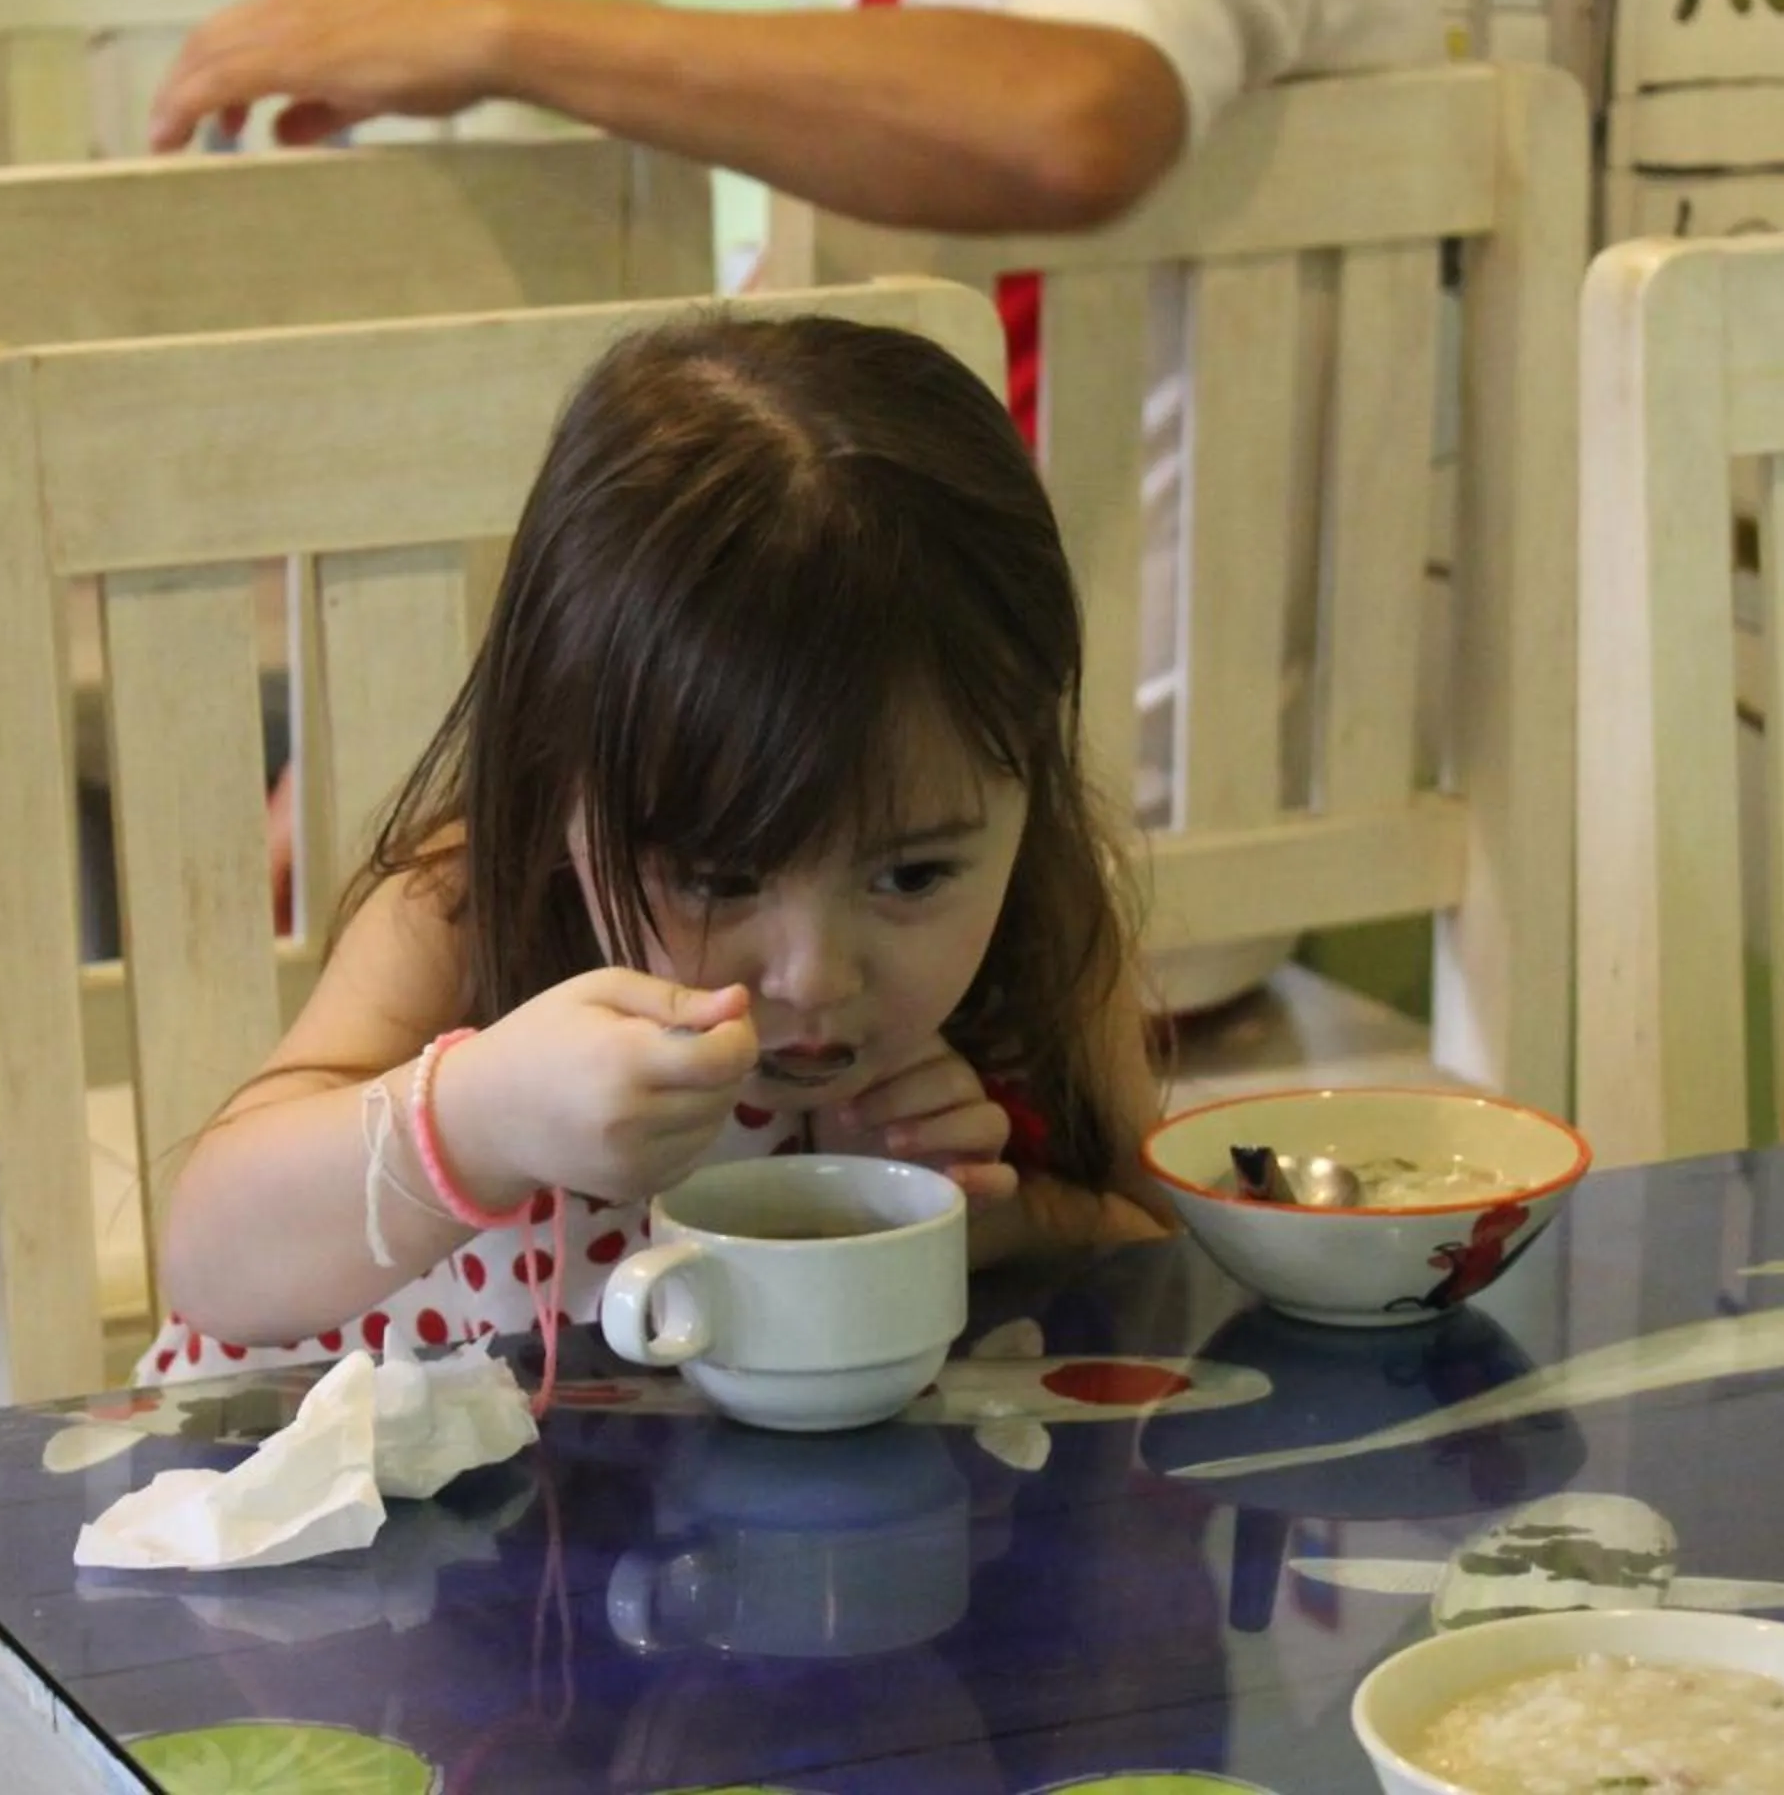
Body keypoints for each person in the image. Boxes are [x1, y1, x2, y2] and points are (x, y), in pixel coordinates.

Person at [151, 0, 1438, 977]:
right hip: (899, 807)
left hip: (995, 870)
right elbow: (761, 393)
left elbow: (1073, 125)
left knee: (325, 951)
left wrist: (492, 34)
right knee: (388, 857)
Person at [144, 316, 1169, 1376]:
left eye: (912, 874)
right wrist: (479, 1117)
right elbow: (210, 1259)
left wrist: (966, 1218)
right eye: (720, 875)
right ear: (561, 779)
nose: (814, 971)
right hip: (372, 1513)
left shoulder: (1045, 922)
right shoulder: (467, 911)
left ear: (1028, 779)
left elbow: (1165, 1261)